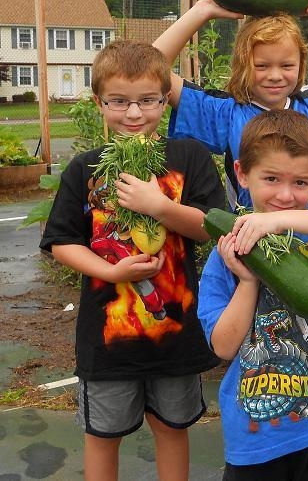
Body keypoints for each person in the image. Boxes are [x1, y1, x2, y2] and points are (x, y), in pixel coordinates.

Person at [39, 39, 226, 481]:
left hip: (176, 335)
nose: (134, 114)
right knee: (103, 435)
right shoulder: (84, 168)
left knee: (172, 428)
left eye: (148, 100)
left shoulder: (189, 157)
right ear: (99, 102)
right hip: (107, 342)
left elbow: (211, 227)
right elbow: (62, 241)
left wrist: (159, 206)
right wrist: (111, 271)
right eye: (119, 101)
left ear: (166, 99)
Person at [197, 109, 308, 479]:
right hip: (259, 436)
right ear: (242, 174)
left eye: (301, 183)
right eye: (271, 178)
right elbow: (224, 346)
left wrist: (279, 220)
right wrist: (248, 282)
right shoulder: (225, 254)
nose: (285, 194)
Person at [152, 0, 308, 209]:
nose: (275, 75)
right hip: (250, 238)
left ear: (301, 64)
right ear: (243, 64)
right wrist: (201, 11)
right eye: (262, 66)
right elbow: (152, 69)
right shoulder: (225, 113)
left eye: (287, 66)